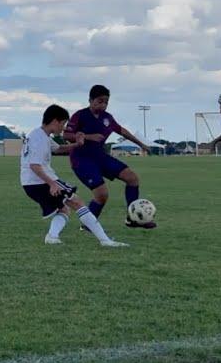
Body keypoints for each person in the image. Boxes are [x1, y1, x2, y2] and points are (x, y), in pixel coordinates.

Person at [20, 104, 129, 247]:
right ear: (55, 121)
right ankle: (105, 241)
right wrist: (52, 184)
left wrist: (77, 144)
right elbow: (34, 165)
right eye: (63, 123)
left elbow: (58, 149)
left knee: (64, 209)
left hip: (30, 183)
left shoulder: (39, 135)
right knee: (78, 203)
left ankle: (52, 237)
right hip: (40, 181)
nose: (64, 128)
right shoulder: (39, 138)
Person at [62, 85, 156, 229]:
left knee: (132, 178)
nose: (103, 105)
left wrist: (141, 144)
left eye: (106, 102)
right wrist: (88, 137)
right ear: (91, 100)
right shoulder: (80, 115)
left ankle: (133, 219)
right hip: (82, 160)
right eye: (100, 101)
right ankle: (87, 225)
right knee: (102, 194)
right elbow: (66, 135)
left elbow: (122, 131)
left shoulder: (107, 118)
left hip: (100, 157)